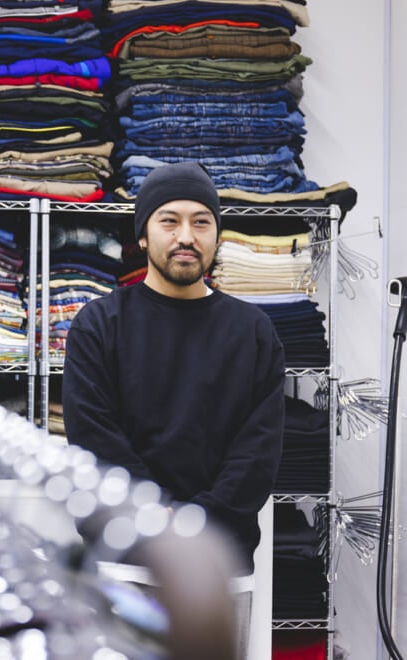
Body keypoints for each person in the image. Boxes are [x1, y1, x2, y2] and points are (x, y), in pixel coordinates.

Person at [62, 161, 284, 656]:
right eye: (169, 220)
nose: (186, 236)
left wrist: (191, 530)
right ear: (143, 235)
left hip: (219, 572)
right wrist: (160, 523)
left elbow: (256, 457)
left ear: (217, 235)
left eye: (201, 222)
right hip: (123, 567)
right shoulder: (100, 326)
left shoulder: (253, 333)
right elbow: (96, 443)